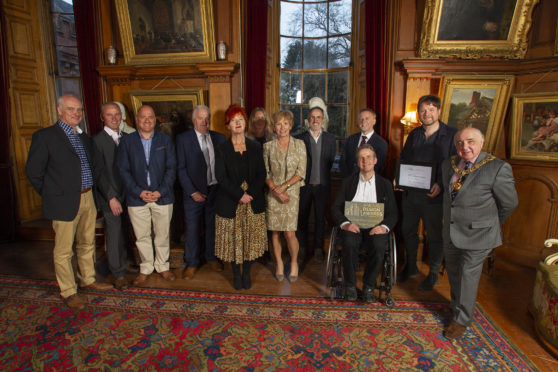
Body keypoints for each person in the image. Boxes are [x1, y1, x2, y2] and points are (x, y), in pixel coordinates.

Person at [25, 94, 113, 312]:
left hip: (87, 197)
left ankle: (87, 279)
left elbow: (94, 168)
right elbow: (33, 172)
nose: (76, 113)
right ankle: (69, 291)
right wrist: (52, 195)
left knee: (86, 243)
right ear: (59, 110)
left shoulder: (84, 138)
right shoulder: (45, 136)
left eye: (79, 110)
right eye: (71, 109)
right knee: (64, 250)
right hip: (63, 201)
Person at [441, 127, 518, 339]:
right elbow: (450, 198)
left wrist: (491, 224)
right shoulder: (448, 164)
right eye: (459, 143)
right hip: (451, 230)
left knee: (468, 274)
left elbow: (509, 204)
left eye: (470, 141)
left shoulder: (497, 167)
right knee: (455, 272)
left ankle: (461, 320)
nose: (464, 146)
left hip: (480, 234)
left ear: (482, 142)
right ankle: (457, 306)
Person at [397, 95, 457, 291]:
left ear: (439, 112)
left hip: (435, 196)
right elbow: (404, 159)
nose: (427, 114)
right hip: (411, 194)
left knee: (435, 236)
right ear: (419, 113)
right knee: (408, 231)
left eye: (431, 110)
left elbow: (456, 166)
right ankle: (411, 266)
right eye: (423, 110)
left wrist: (441, 183)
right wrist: (398, 177)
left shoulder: (452, 135)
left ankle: (432, 273)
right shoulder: (414, 135)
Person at [117, 105, 177, 286]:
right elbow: (123, 170)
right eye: (143, 117)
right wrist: (138, 191)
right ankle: (146, 268)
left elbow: (171, 168)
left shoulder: (165, 140)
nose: (147, 120)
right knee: (142, 236)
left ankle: (162, 266)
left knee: (162, 235)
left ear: (155, 120)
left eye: (150, 117)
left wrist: (161, 191)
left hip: (163, 196)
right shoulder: (127, 142)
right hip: (137, 198)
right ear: (137, 119)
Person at [331, 145, 398, 302]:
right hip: (352, 226)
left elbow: (393, 213)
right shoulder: (348, 182)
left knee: (379, 245)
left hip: (376, 228)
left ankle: (368, 286)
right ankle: (350, 286)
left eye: (368, 157)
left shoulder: (385, 184)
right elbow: (335, 208)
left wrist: (384, 227)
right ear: (357, 162)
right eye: (361, 158)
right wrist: (345, 224)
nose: (365, 160)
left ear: (375, 160)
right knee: (348, 242)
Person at [214, 105, 267, 290]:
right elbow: (221, 177)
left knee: (251, 242)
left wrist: (250, 194)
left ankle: (247, 273)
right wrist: (239, 195)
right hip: (231, 202)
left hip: (253, 202)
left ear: (246, 123)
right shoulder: (221, 149)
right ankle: (236, 273)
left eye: (241, 119)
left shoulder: (255, 147)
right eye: (233, 120)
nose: (238, 123)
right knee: (233, 242)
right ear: (228, 125)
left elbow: (262, 173)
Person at [176, 105, 226, 279]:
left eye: (207, 118)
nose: (204, 122)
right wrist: (192, 192)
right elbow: (180, 169)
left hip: (214, 191)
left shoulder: (219, 138)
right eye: (200, 118)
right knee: (192, 229)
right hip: (193, 193)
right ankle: (192, 263)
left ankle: (211, 257)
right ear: (193, 120)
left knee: (212, 226)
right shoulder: (183, 139)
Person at [264, 110, 306, 282]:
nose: (282, 127)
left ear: (290, 125)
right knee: (275, 233)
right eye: (278, 124)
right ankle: (280, 264)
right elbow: (265, 172)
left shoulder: (299, 145)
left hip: (291, 194)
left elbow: (301, 172)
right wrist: (275, 189)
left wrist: (284, 188)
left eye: (285, 123)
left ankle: (294, 262)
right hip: (273, 195)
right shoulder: (267, 147)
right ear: (274, 127)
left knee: (289, 233)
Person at [93, 102, 129, 291]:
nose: (115, 118)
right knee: (114, 235)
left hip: (129, 194)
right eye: (109, 115)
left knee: (127, 233)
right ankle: (118, 274)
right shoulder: (96, 141)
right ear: (102, 118)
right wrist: (111, 197)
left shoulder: (128, 138)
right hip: (111, 197)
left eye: (117, 114)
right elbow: (98, 173)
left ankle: (127, 264)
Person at [295, 97, 337, 262]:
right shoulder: (299, 139)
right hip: (303, 186)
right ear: (308, 120)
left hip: (322, 186)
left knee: (320, 219)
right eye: (312, 117)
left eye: (318, 117)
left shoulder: (330, 139)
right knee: (302, 218)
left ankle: (318, 249)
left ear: (323, 119)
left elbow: (330, 161)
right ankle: (302, 248)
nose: (315, 120)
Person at [339, 108, 388, 177]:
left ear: (374, 121)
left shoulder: (381, 143)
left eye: (367, 118)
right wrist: (347, 179)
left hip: (367, 184)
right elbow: (342, 161)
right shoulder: (351, 139)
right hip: (348, 182)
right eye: (361, 119)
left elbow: (378, 167)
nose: (363, 121)